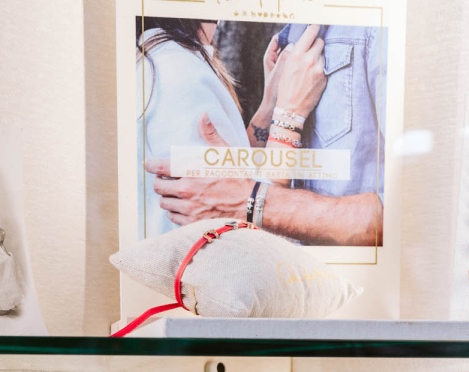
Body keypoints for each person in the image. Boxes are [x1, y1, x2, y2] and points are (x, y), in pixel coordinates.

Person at [146, 22, 385, 247]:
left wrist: (274, 111)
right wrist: (281, 114)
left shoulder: (156, 57)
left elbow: (401, 217)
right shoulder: (182, 68)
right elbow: (227, 197)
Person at [136, 18, 250, 239]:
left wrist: (269, 108)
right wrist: (288, 114)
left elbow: (231, 175)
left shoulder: (155, 56)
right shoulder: (180, 71)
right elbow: (224, 220)